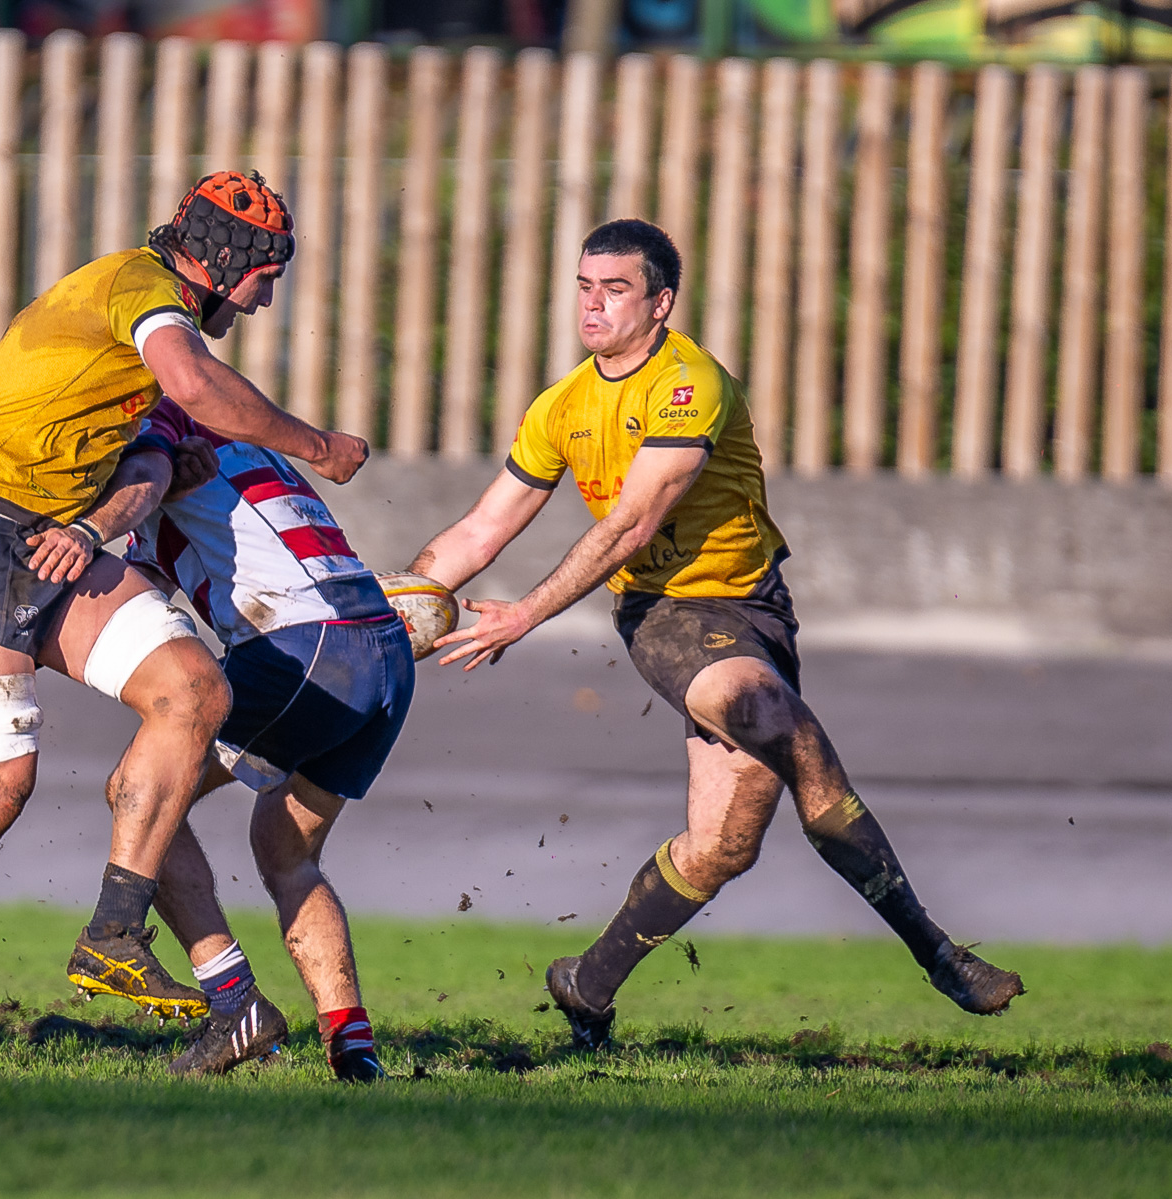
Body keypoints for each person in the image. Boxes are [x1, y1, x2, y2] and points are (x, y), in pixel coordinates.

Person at [408, 219, 1023, 1050]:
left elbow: (632, 520)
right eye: (585, 286)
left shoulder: (688, 382)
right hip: (663, 614)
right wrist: (396, 602)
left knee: (723, 846)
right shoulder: (561, 406)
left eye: (615, 288)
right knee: (776, 718)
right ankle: (940, 955)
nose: (593, 304)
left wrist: (525, 613)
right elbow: (482, 529)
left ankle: (586, 983)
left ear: (660, 303)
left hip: (755, 610)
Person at [0, 171, 369, 1070]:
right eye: (264, 278)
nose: (263, 300)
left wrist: (96, 526)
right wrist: (317, 445)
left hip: (57, 540)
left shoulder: (149, 348)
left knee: (194, 690)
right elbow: (202, 387)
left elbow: (149, 467)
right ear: (219, 259)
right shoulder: (143, 290)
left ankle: (115, 928)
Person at [70, 394, 413, 1082]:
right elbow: (142, 576)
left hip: (305, 642)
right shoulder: (220, 449)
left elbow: (156, 441)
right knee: (285, 849)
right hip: (383, 649)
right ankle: (354, 1051)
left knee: (140, 797)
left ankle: (235, 1004)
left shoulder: (160, 419)